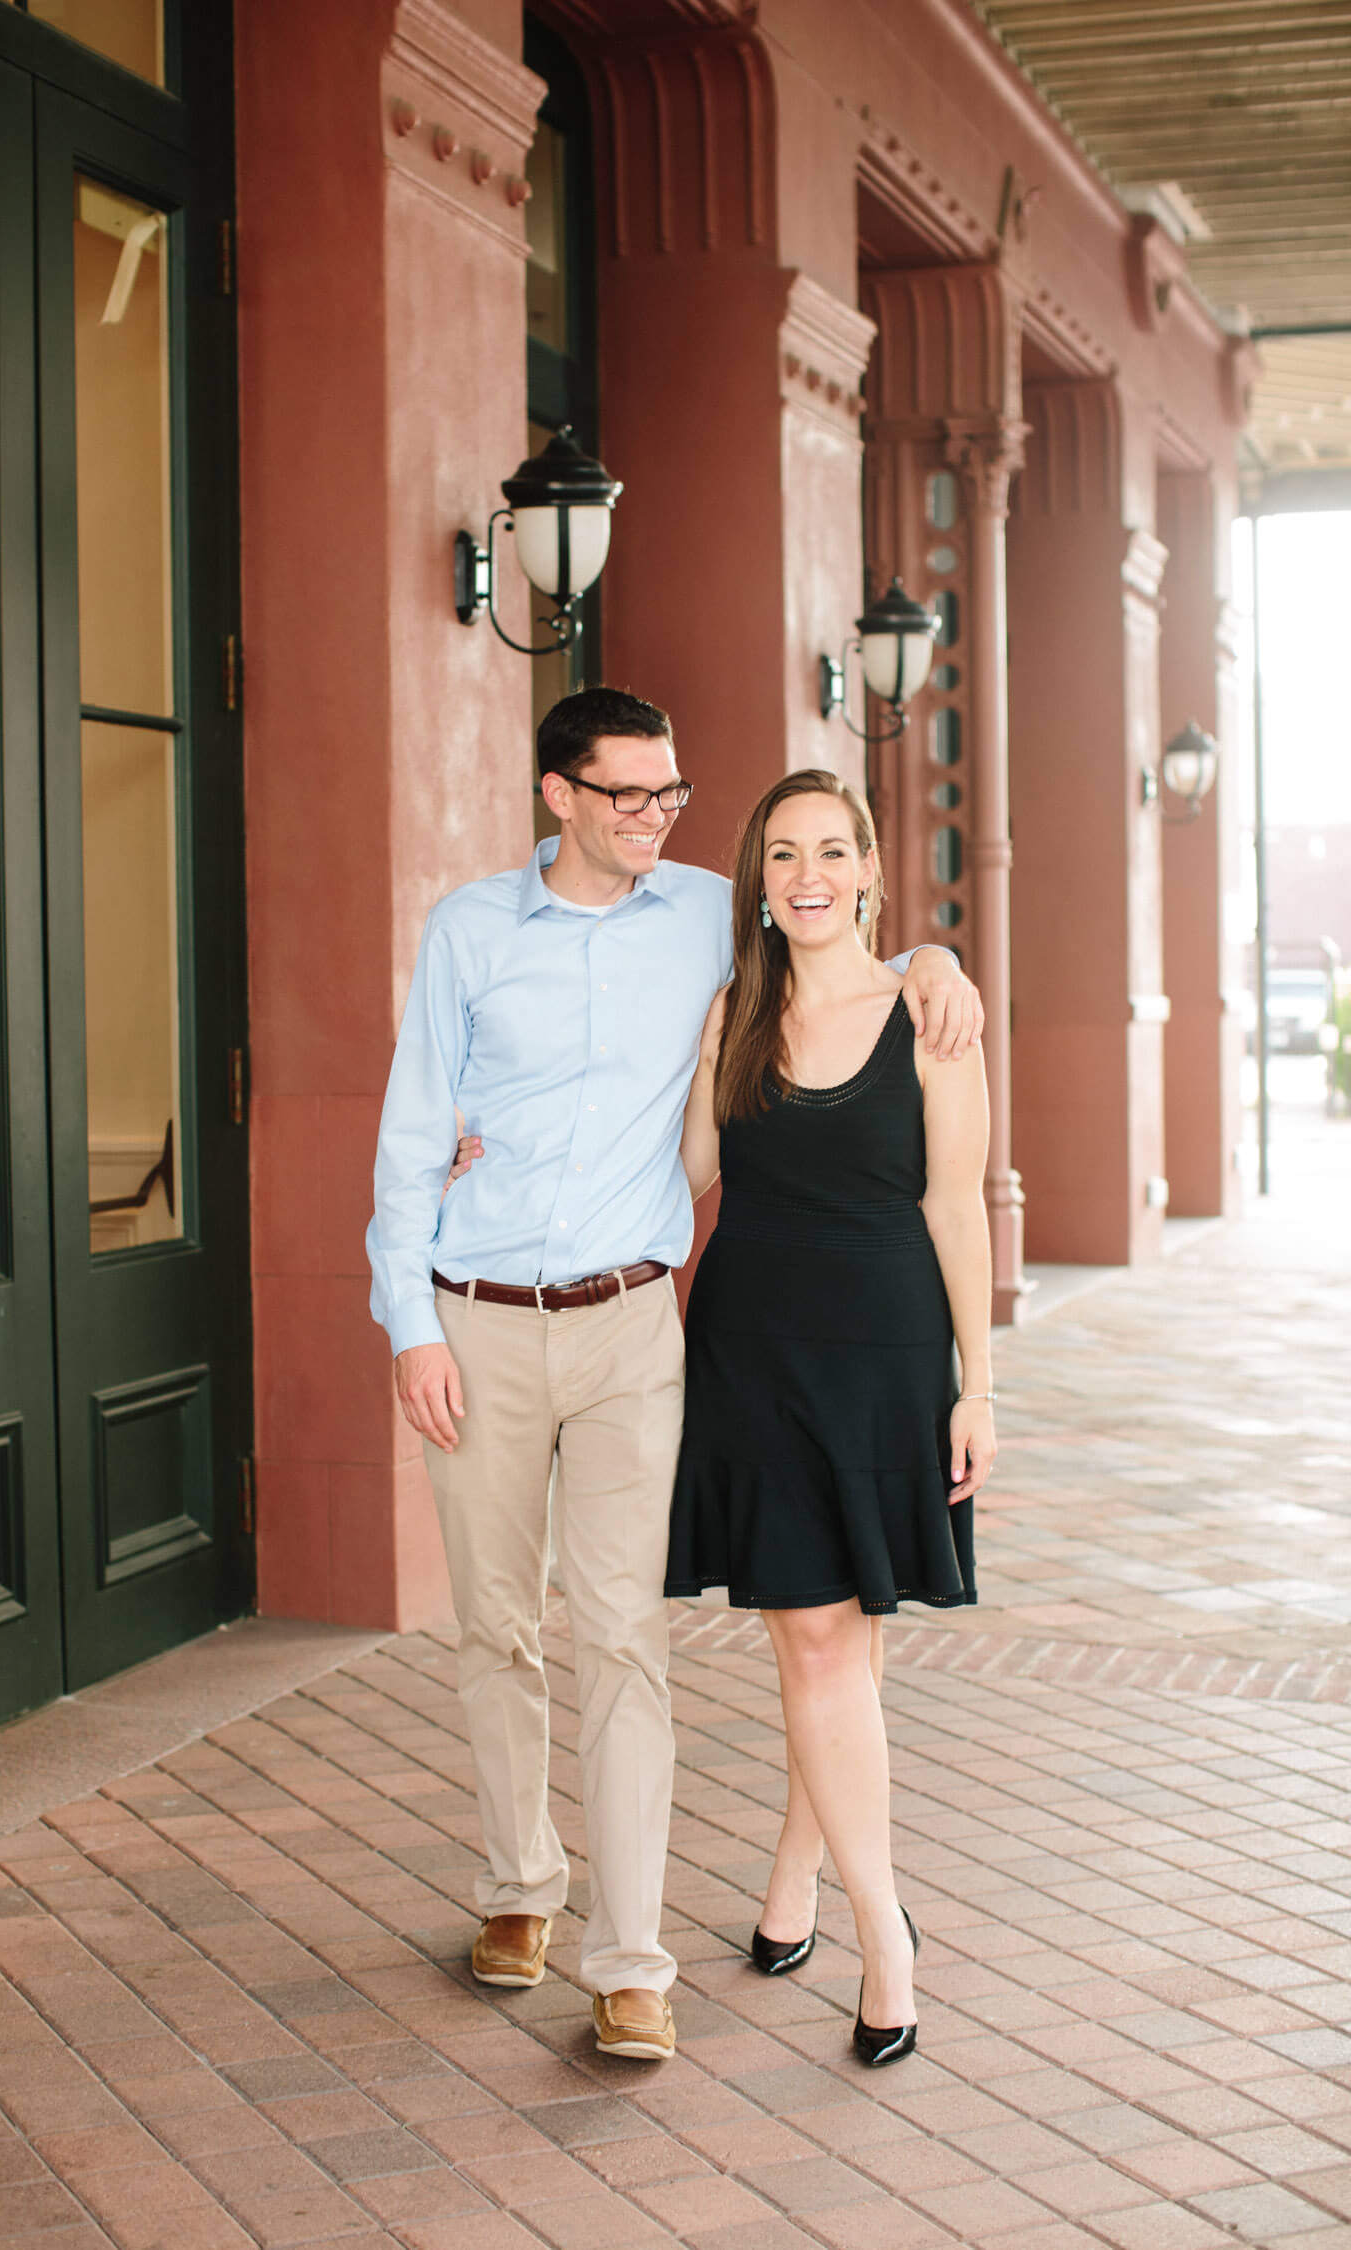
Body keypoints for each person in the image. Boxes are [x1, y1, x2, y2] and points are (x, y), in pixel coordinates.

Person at [366, 688, 981, 2065]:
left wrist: (938, 958)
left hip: (642, 1321)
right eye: (628, 795)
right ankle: (522, 1882)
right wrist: (404, 1320)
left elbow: (841, 919)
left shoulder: (712, 905)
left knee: (630, 1634)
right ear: (559, 796)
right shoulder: (472, 929)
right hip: (476, 1318)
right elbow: (413, 1137)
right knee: (496, 1626)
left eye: (671, 795)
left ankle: (633, 1961)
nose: (656, 817)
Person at [665, 767, 996, 2066]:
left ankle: (804, 1879)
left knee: (839, 1644)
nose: (807, 873)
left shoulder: (929, 1014)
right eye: (783, 853)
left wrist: (981, 1384)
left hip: (889, 1355)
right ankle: (886, 1931)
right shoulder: (731, 1015)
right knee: (817, 1639)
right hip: (752, 1354)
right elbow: (689, 1173)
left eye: (831, 850)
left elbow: (957, 1204)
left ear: (867, 867)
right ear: (760, 879)